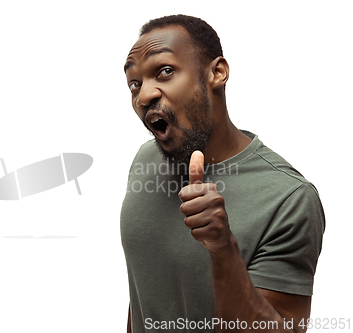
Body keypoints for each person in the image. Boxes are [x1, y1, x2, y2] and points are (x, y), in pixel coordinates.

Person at [121, 15, 325, 333]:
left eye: (164, 71)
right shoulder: (146, 160)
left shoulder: (289, 198)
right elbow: (146, 295)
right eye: (135, 83)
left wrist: (222, 246)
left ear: (217, 72)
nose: (144, 95)